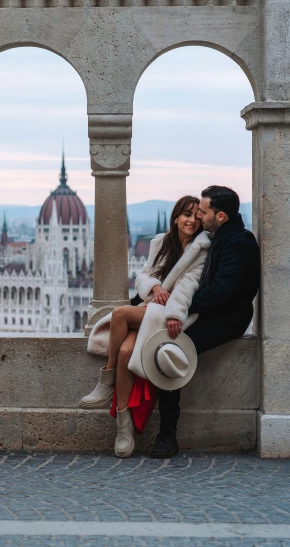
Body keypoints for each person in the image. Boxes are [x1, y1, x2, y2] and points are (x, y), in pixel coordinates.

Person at [80, 196, 210, 457]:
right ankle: (123, 426)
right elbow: (143, 275)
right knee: (127, 353)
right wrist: (155, 286)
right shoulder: (161, 243)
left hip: (171, 314)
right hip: (150, 308)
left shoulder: (201, 250)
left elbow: (187, 287)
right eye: (187, 214)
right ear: (176, 217)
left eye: (197, 216)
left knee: (119, 314)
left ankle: (106, 381)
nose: (192, 220)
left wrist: (173, 312)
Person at [151, 185, 261, 458]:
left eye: (203, 210)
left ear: (220, 216)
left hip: (227, 318)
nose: (198, 215)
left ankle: (167, 435)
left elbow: (221, 293)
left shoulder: (239, 242)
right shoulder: (217, 236)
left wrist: (183, 307)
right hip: (207, 310)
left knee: (173, 352)